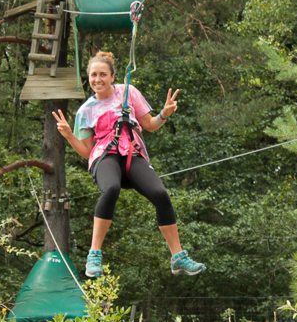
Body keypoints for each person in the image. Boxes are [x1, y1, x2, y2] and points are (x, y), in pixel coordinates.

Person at [52, 51, 206, 278]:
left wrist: (164, 113)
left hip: (131, 152)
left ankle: (178, 257)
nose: (98, 79)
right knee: (111, 188)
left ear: (112, 76)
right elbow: (86, 151)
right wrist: (68, 136)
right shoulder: (85, 111)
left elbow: (150, 125)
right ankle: (94, 254)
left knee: (160, 194)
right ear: (89, 78)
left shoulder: (128, 93)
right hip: (105, 156)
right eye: (93, 75)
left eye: (103, 74)